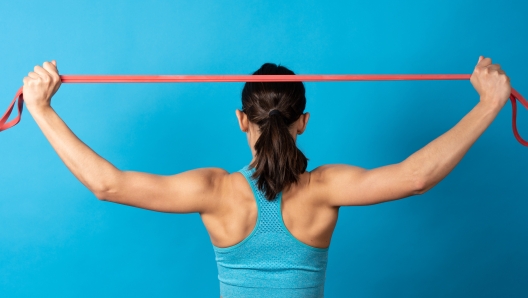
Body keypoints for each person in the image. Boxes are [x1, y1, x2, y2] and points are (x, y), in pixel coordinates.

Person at [22, 57, 510, 298]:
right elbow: (415, 177)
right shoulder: (326, 188)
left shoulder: (214, 191)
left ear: (241, 119)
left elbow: (108, 184)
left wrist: (41, 109)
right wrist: (489, 103)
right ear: (303, 121)